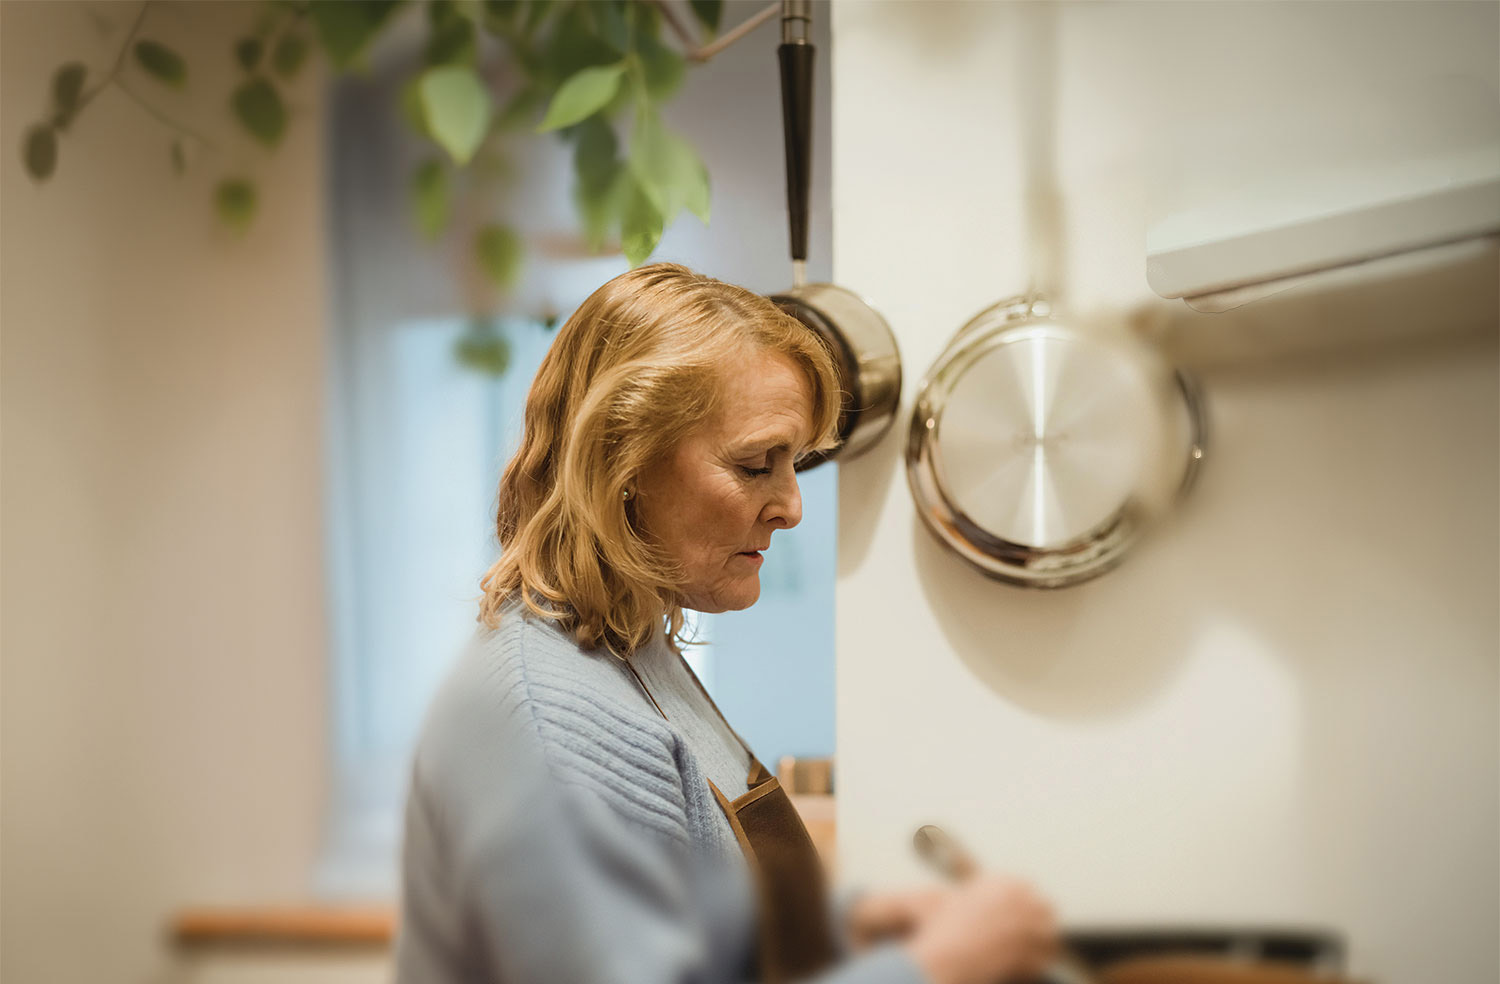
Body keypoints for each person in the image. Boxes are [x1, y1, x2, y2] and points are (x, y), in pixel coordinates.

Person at [394, 263, 1060, 984]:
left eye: (795, 463)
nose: (791, 506)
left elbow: (673, 909)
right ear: (621, 463)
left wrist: (841, 929)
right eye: (754, 466)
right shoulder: (555, 722)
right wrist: (932, 968)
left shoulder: (625, 641)